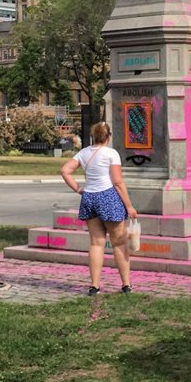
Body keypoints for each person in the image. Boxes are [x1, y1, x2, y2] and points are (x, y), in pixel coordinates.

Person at [60, 121, 138, 295]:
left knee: (96, 243)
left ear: (93, 136)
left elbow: (65, 171)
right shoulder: (111, 153)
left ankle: (94, 286)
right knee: (119, 242)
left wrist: (79, 189)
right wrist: (129, 206)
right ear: (108, 136)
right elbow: (117, 182)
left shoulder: (83, 153)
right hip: (108, 197)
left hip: (89, 197)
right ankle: (126, 284)